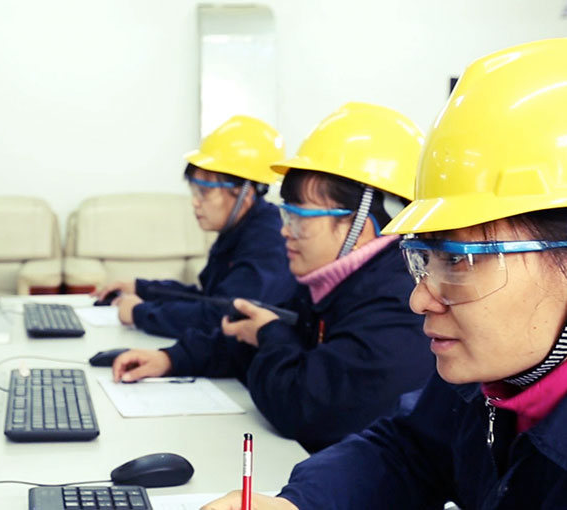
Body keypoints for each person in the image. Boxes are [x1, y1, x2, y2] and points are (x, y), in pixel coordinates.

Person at [203, 38, 567, 510]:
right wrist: (299, 504)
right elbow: (406, 450)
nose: (418, 299)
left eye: (458, 260)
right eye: (425, 257)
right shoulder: (490, 376)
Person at [113, 102, 435, 452]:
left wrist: (271, 335)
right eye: (286, 215)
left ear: (362, 226)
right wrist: (173, 358)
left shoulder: (400, 304)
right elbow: (249, 329)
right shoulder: (329, 284)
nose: (284, 231)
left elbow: (300, 407)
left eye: (299, 218)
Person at [95, 115, 296, 339]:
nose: (195, 202)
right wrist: (142, 288)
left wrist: (139, 313)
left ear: (244, 194)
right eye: (194, 190)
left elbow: (221, 317)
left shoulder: (267, 242)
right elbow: (209, 298)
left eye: (204, 191)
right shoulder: (240, 229)